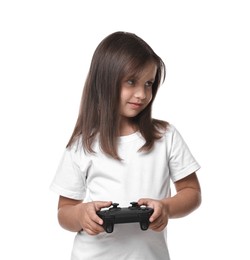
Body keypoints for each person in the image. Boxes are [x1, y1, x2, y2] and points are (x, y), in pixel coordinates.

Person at [50, 31, 201, 259]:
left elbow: (192, 192)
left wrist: (166, 208)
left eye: (148, 83)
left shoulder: (166, 136)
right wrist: (81, 215)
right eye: (131, 82)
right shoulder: (84, 144)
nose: (142, 94)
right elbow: (64, 211)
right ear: (105, 81)